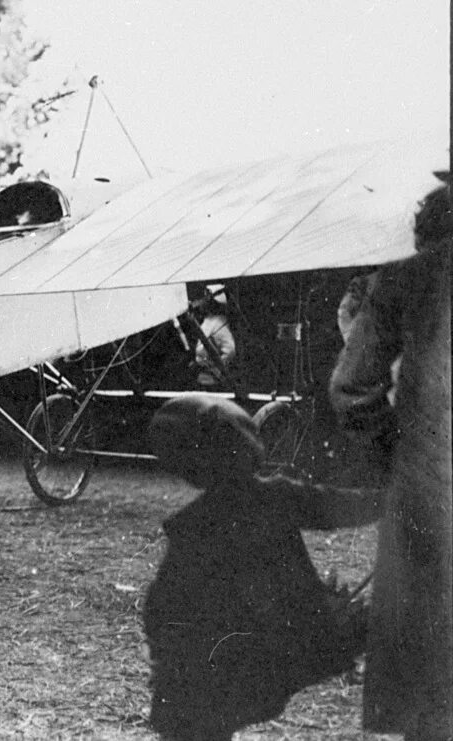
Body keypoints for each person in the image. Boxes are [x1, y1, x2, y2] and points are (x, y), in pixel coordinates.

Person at [141, 393, 382, 741]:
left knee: (195, 711)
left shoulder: (194, 525)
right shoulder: (278, 496)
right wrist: (390, 501)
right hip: (293, 638)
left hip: (232, 655)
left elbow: (162, 603)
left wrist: (165, 652)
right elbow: (338, 507)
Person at [329, 176, 452, 741]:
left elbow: (353, 389)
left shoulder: (406, 278)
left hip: (430, 489)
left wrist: (398, 454)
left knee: (429, 670)